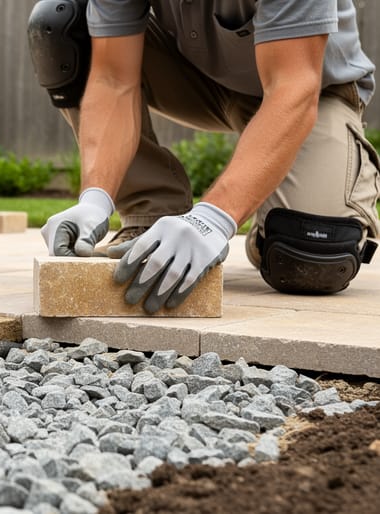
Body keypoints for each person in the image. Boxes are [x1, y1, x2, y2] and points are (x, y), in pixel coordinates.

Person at [28, 0, 380, 314]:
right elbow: (112, 79)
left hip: (312, 90)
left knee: (310, 259)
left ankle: (269, 229)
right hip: (201, 80)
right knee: (64, 21)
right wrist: (95, 197)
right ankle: (151, 215)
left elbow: (294, 89)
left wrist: (212, 220)